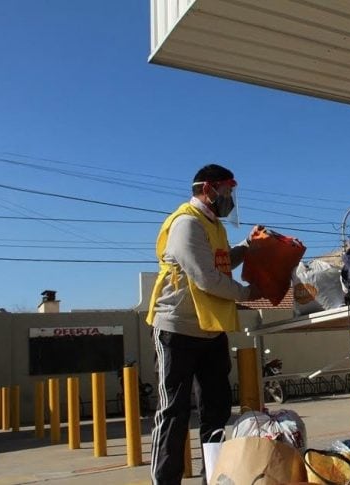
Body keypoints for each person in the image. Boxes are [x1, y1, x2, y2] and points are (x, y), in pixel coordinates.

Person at [146, 163, 260, 485]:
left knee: (217, 412)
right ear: (209, 189)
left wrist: (248, 248)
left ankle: (216, 477)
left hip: (210, 329)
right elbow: (207, 278)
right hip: (177, 330)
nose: (230, 199)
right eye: (227, 191)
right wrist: (249, 293)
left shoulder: (215, 228)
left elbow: (221, 262)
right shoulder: (186, 224)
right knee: (173, 413)